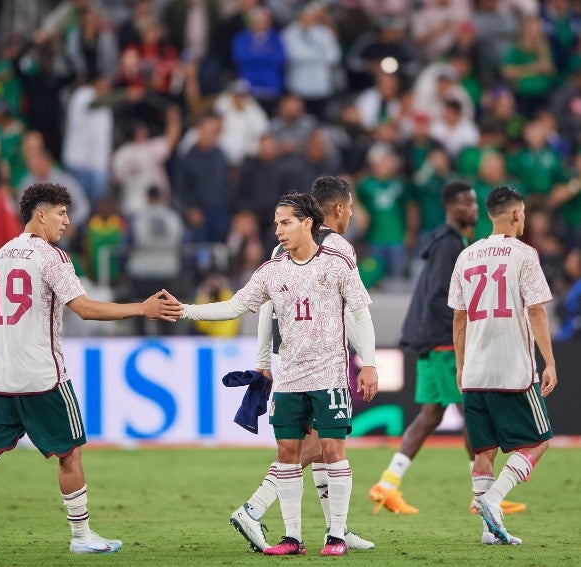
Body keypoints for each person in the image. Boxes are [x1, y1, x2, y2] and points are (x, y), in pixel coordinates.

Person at [0, 182, 183, 557]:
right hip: (43, 376)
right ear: (41, 215)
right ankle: (82, 536)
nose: (67, 221)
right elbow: (83, 307)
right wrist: (142, 308)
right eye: (61, 213)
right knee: (70, 454)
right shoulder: (52, 257)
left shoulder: (0, 255)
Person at [176, 192, 379, 557]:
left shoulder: (337, 263)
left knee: (332, 448)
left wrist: (369, 363)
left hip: (329, 375)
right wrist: (186, 310)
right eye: (276, 223)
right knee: (288, 451)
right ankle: (292, 537)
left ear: (307, 223)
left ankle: (335, 536)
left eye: (285, 222)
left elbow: (360, 314)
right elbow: (237, 306)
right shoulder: (271, 271)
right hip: (289, 378)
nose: (278, 230)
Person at [229, 176, 374, 553]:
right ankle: (255, 507)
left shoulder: (283, 250)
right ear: (340, 209)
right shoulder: (339, 248)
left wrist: (264, 359)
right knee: (321, 443)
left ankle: (335, 528)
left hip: (288, 355)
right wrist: (369, 361)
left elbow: (266, 306)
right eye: (352, 208)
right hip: (321, 360)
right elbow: (357, 313)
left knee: (321, 448)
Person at [368, 181, 530, 517]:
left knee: (435, 414)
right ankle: (481, 495)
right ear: (451, 207)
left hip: (435, 339)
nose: (474, 209)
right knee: (467, 412)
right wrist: (468, 331)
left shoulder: (453, 243)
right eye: (467, 203)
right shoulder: (449, 246)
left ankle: (388, 484)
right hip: (442, 341)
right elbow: (443, 299)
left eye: (474, 203)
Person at [449, 185, 556, 545]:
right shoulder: (524, 255)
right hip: (512, 368)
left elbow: (459, 319)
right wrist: (550, 362)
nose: (523, 219)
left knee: (483, 451)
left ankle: (487, 533)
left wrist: (461, 366)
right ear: (514, 215)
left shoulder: (467, 256)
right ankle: (493, 502)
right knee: (540, 441)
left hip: (476, 369)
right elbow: (537, 309)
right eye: (522, 213)